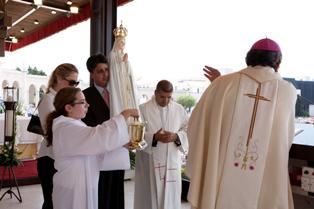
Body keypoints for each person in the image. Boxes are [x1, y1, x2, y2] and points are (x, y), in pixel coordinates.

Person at [187, 38, 297, 209]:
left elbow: (196, 123)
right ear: (278, 63)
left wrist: (218, 88)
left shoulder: (223, 84)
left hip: (221, 174)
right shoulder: (287, 90)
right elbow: (286, 138)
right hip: (266, 174)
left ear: (249, 58)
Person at [45, 87, 138, 209]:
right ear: (68, 107)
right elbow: (97, 136)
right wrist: (124, 115)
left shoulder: (76, 125)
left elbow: (94, 152)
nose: (87, 105)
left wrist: (122, 146)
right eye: (83, 102)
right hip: (72, 189)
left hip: (82, 185)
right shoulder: (64, 128)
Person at [82, 54, 130, 209]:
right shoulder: (85, 96)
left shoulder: (118, 94)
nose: (105, 74)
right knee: (102, 195)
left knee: (117, 193)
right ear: (92, 74)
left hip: (120, 152)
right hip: (100, 155)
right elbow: (88, 127)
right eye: (100, 71)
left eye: (107, 70)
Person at [133, 80, 189, 209]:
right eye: (162, 97)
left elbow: (188, 129)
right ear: (155, 93)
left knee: (170, 197)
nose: (166, 101)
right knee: (150, 198)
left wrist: (176, 136)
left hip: (171, 162)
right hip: (149, 162)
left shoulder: (179, 109)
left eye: (169, 97)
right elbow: (135, 134)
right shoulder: (143, 109)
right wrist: (154, 137)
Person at [37, 63, 79, 209]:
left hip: (63, 158)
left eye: (76, 83)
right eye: (72, 82)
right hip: (49, 158)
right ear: (59, 78)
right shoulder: (48, 100)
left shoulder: (65, 101)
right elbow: (52, 132)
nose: (74, 86)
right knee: (52, 202)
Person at [108, 23, 138, 117]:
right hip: (118, 85)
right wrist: (121, 62)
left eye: (124, 42)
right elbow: (114, 72)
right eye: (121, 42)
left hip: (126, 86)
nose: (123, 44)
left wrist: (126, 62)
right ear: (117, 42)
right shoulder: (112, 55)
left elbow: (128, 72)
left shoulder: (123, 55)